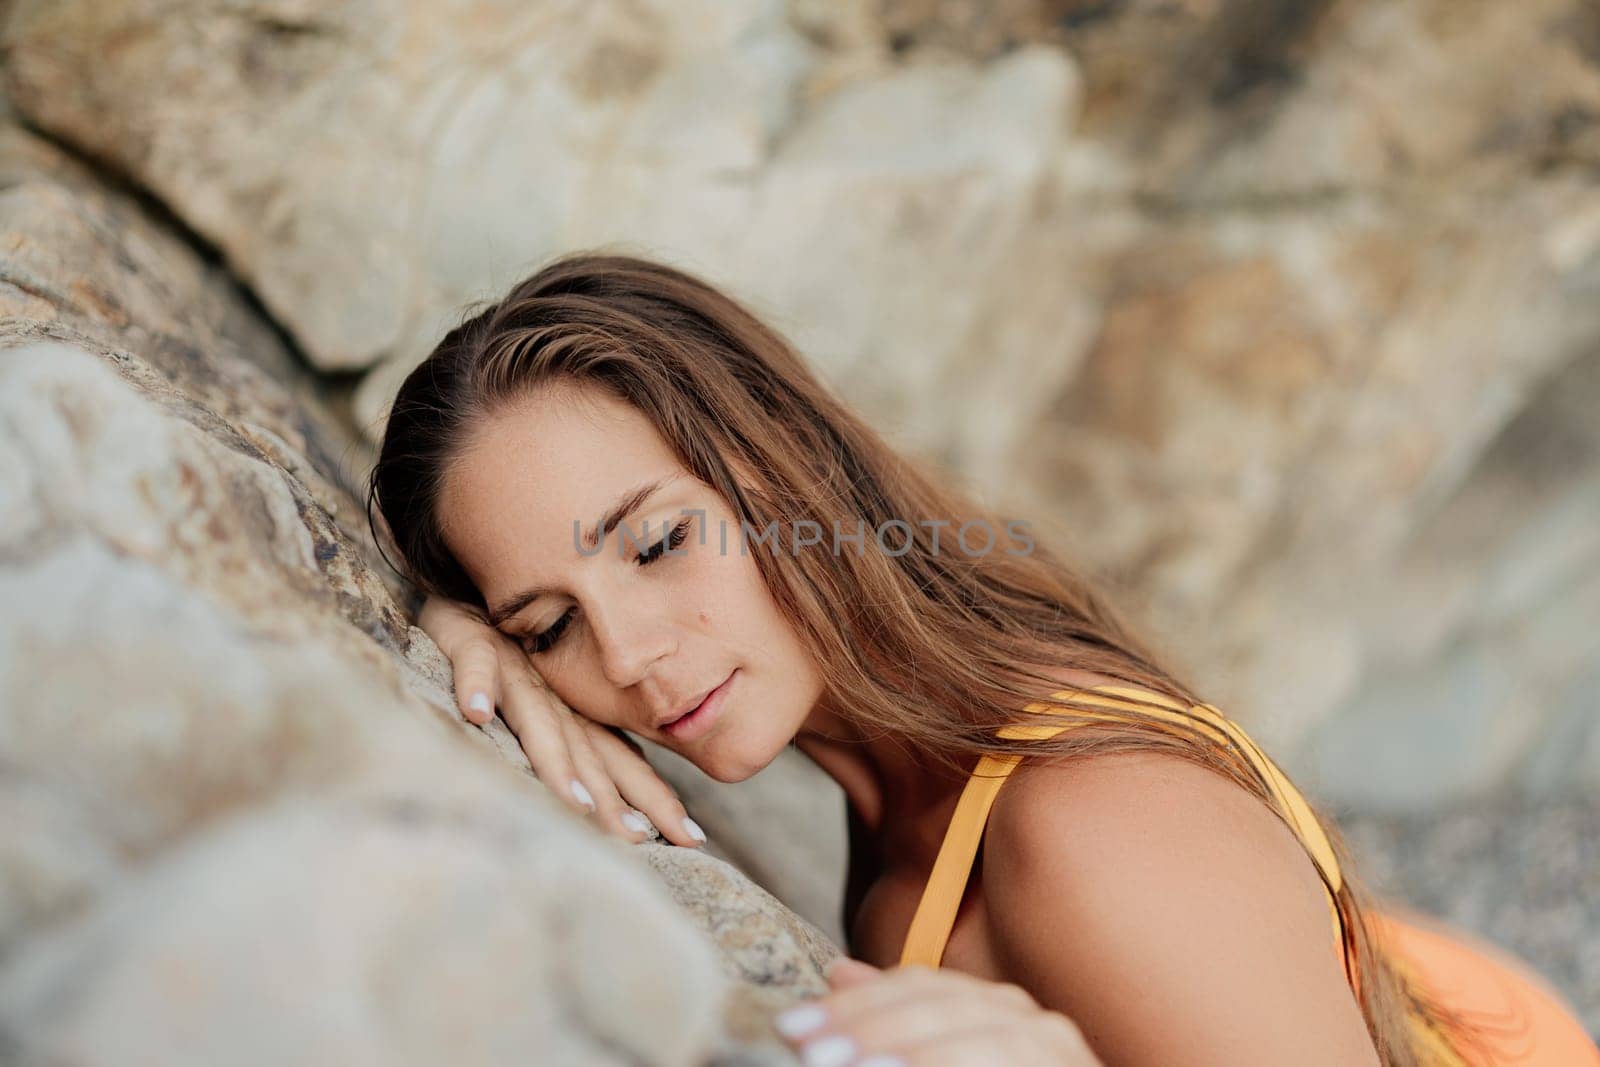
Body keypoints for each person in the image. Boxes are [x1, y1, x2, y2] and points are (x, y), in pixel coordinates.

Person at [367, 251, 1597, 1066]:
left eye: (658, 541)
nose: (628, 656)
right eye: (551, 625)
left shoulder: (1088, 825)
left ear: (787, 467)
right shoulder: (899, 769)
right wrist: (462, 635)